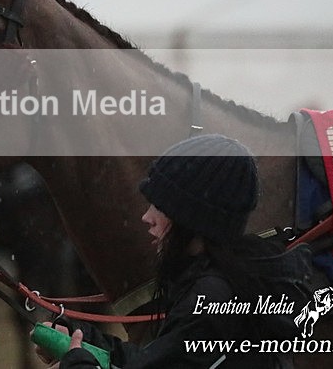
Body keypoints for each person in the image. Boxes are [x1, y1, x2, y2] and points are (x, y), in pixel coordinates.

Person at [33, 134, 313, 368]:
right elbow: (156, 361)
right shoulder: (225, 283)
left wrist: (78, 364)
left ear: (192, 218)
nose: (147, 216)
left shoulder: (212, 299)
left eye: (161, 206)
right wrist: (82, 340)